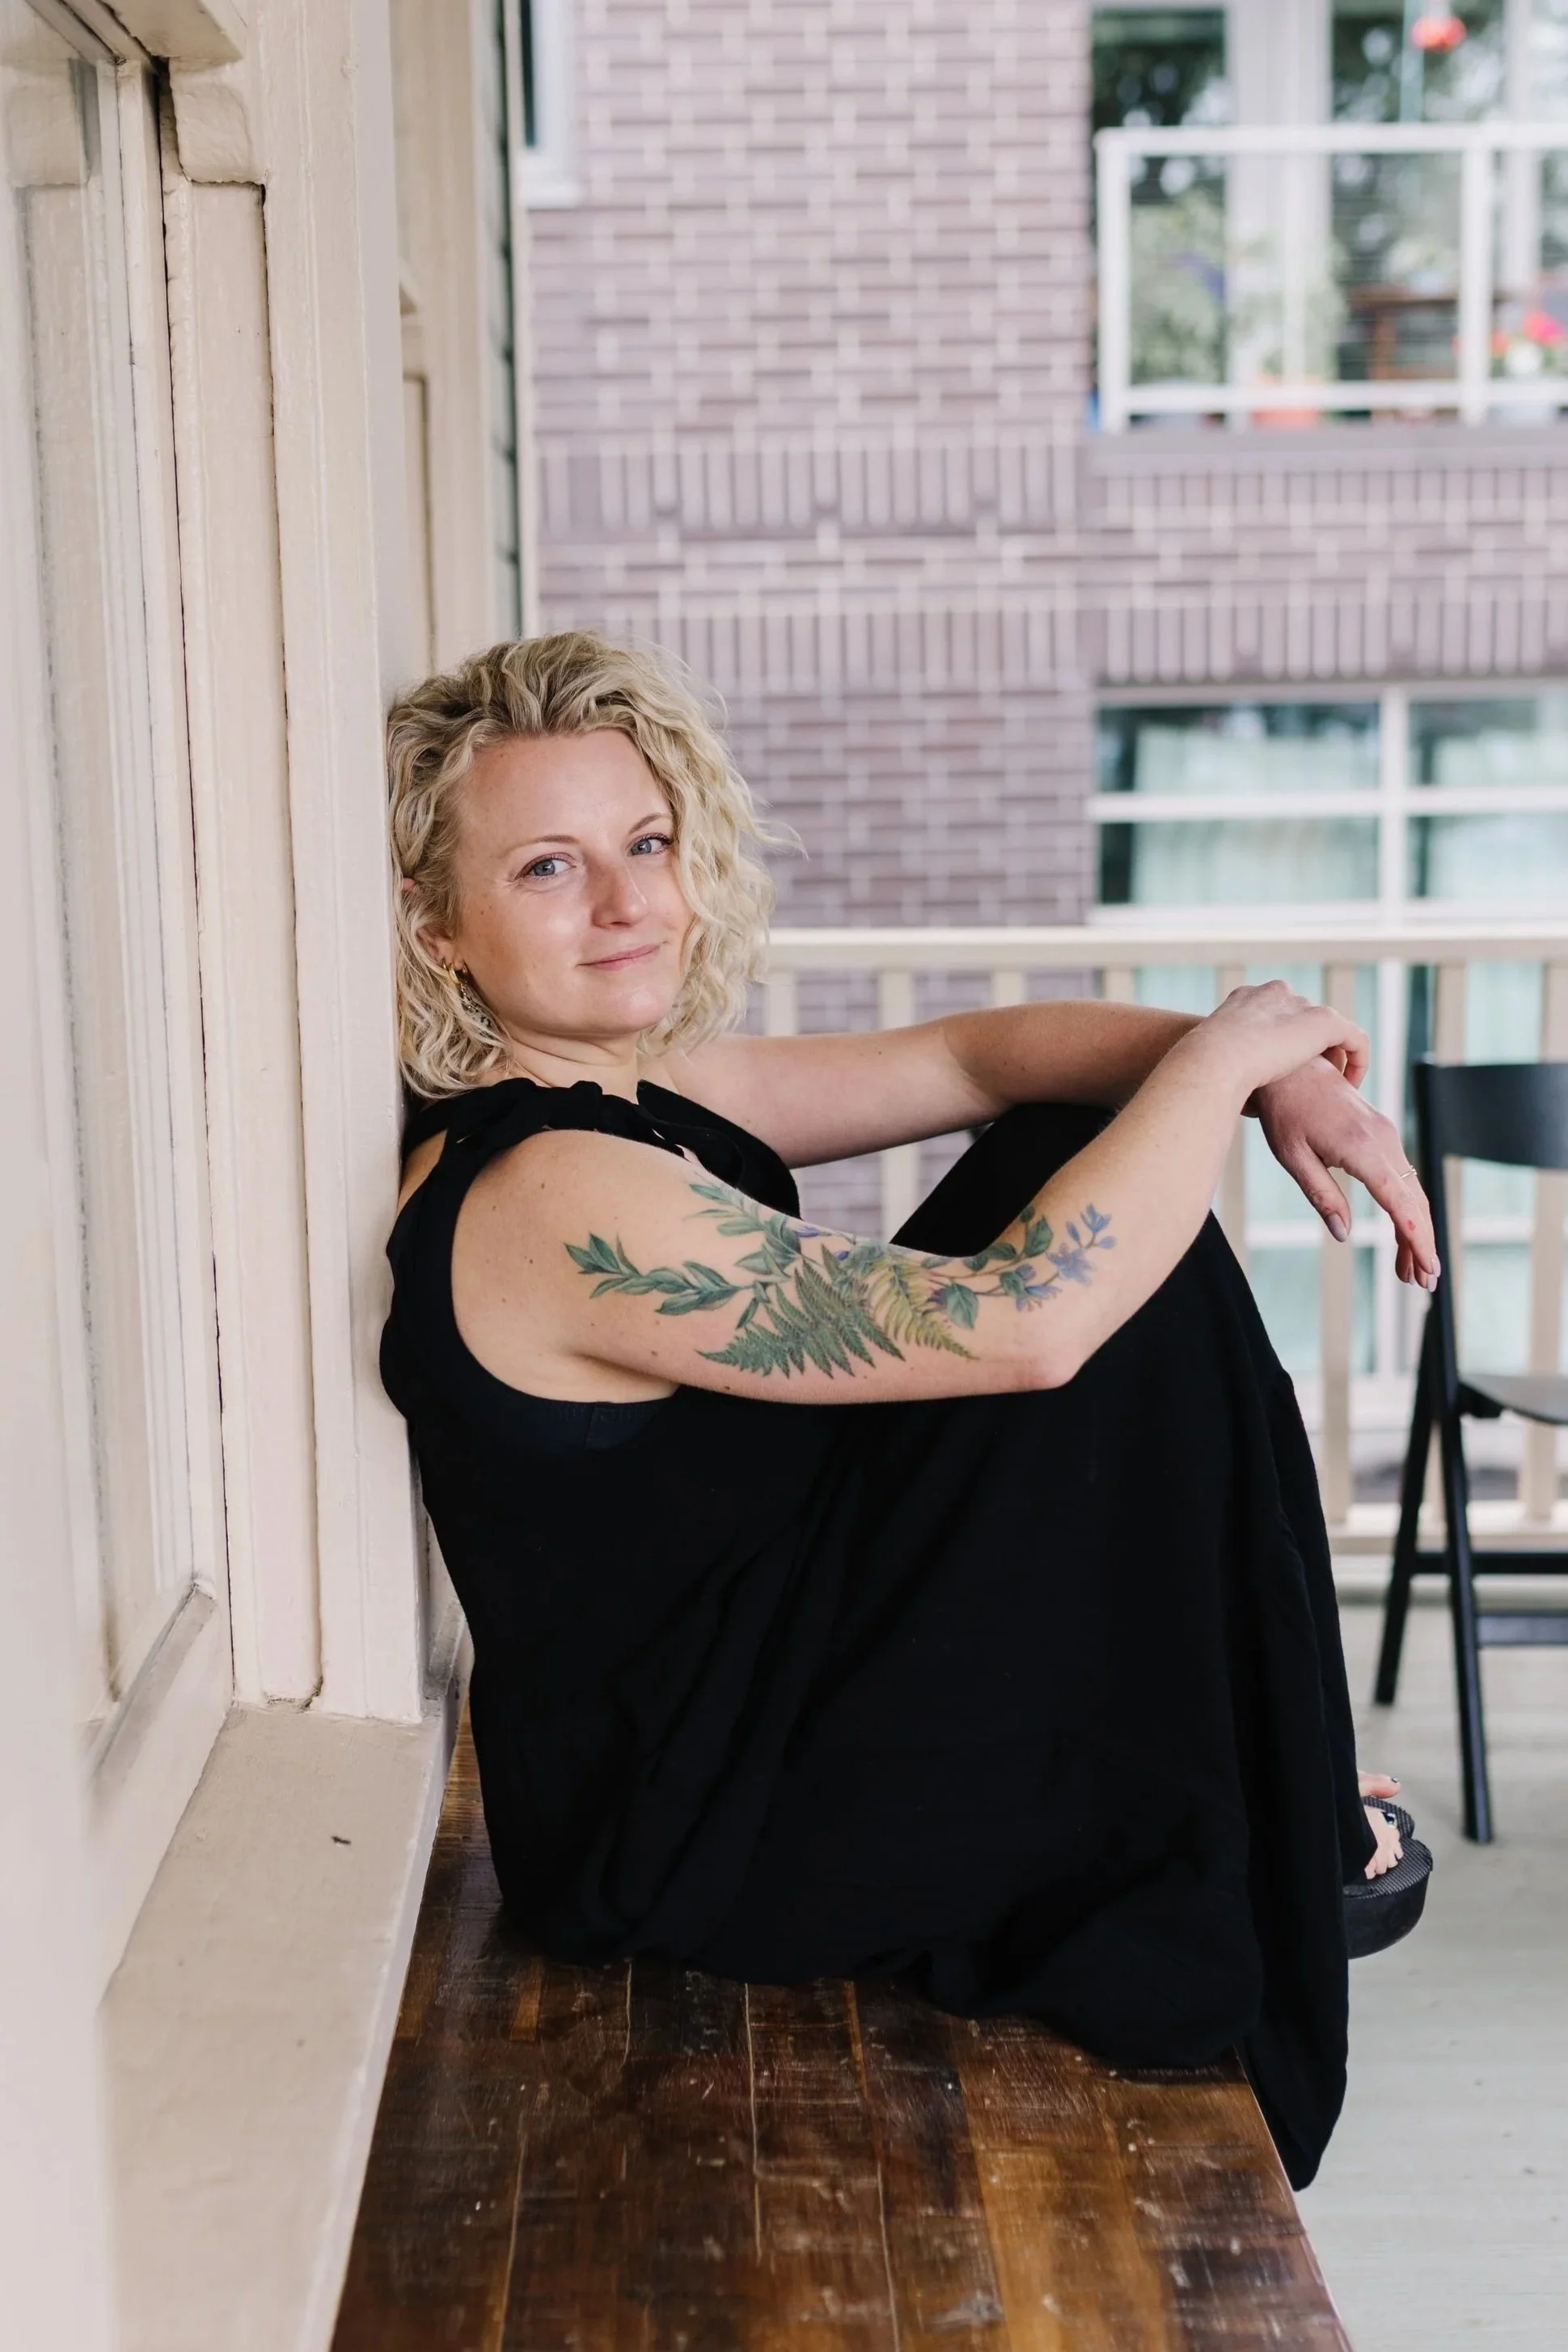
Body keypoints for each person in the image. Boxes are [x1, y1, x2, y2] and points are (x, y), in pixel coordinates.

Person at [380, 631, 1436, 2189]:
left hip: (772, 1693)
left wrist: (1249, 1071)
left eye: (646, 844)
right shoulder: (551, 1188)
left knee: (1070, 1147)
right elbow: (1023, 1328)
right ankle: (1267, 1784)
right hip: (706, 1822)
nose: (625, 903)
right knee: (1092, 1267)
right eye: (547, 868)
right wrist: (1220, 1063)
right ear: (440, 928)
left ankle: (1257, 1750)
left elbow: (973, 1052)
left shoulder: (626, 1104)